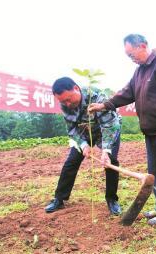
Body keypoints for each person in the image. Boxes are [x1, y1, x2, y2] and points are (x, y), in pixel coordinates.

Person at [88, 34, 156, 226]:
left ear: (142, 46)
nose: (131, 59)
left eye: (132, 54)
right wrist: (104, 105)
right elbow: (127, 93)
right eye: (128, 56)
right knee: (155, 170)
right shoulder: (139, 71)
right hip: (150, 130)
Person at [45, 77, 122, 215]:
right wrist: (83, 144)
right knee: (71, 161)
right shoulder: (65, 104)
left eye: (69, 99)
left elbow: (109, 125)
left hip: (106, 130)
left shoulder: (98, 97)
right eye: (63, 101)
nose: (67, 104)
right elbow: (72, 129)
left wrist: (106, 150)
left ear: (76, 88)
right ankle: (59, 198)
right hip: (84, 132)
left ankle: (112, 199)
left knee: (110, 162)